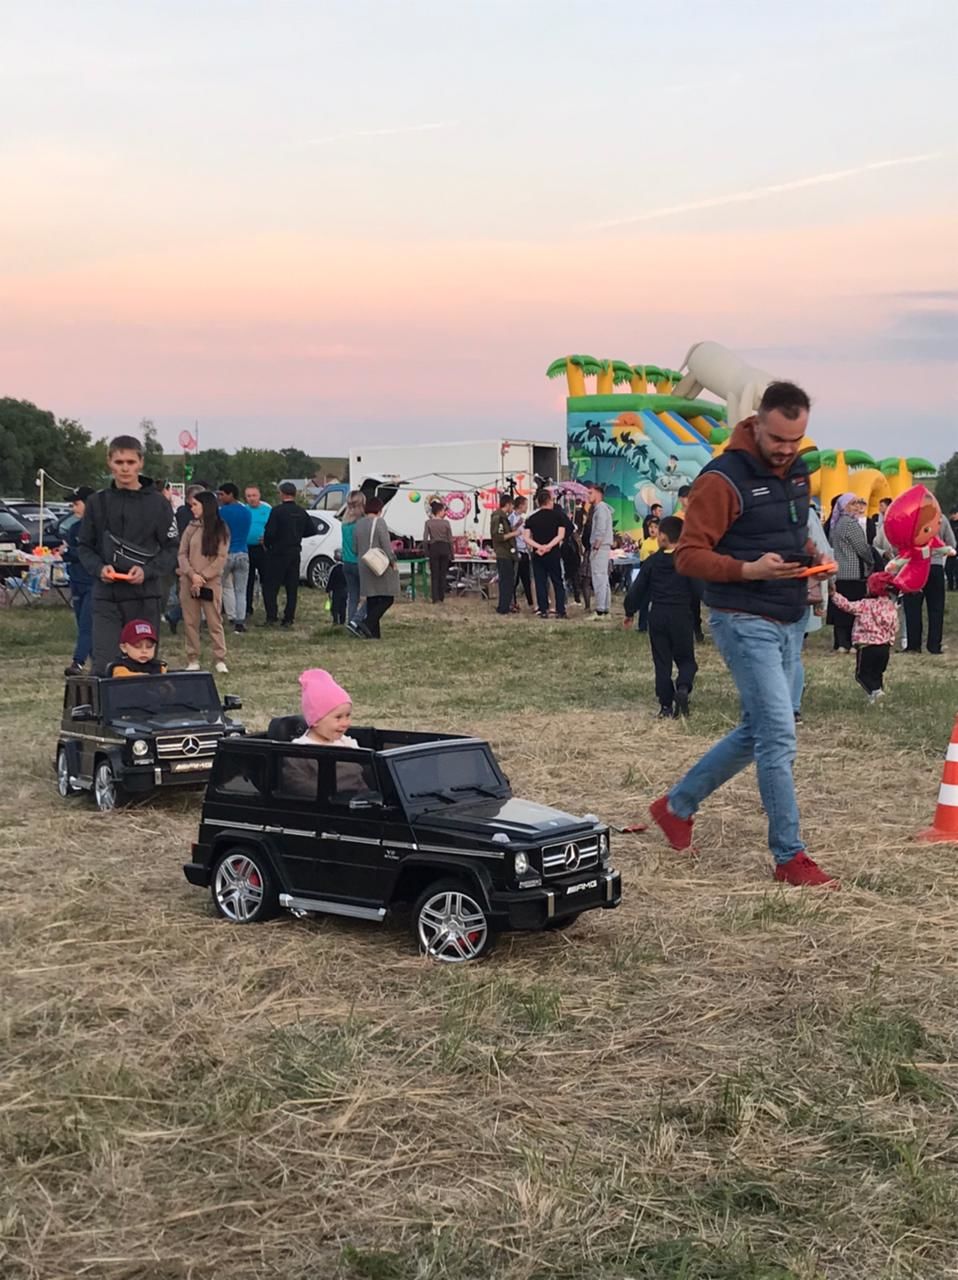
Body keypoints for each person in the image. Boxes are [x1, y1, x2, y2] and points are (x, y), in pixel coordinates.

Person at [642, 381, 837, 889]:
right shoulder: (721, 480)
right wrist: (748, 570)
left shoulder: (798, 473)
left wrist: (808, 565)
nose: (788, 450)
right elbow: (687, 556)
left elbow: (787, 537)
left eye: (797, 441)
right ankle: (789, 855)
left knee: (759, 732)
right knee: (777, 736)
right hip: (742, 618)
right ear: (757, 422)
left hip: (790, 616)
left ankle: (676, 806)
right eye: (779, 439)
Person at [77, 434, 180, 674]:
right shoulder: (96, 502)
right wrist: (99, 568)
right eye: (119, 462)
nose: (125, 468)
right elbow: (84, 546)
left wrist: (148, 571)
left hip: (145, 596)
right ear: (110, 462)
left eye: (131, 462)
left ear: (141, 463)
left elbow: (172, 547)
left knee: (142, 663)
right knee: (105, 666)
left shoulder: (158, 504)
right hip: (107, 596)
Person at [623, 516, 698, 718]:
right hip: (681, 615)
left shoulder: (652, 562)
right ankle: (683, 687)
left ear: (662, 536)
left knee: (662, 662)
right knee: (686, 660)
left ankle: (666, 705)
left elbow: (637, 590)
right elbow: (699, 590)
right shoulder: (687, 562)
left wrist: (630, 611)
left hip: (657, 615)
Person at [178, 490, 230, 673]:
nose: (192, 509)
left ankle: (219, 658)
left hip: (210, 583)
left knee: (214, 621)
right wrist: (192, 575)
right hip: (189, 582)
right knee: (190, 621)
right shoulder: (190, 527)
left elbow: (221, 557)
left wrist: (203, 576)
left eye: (195, 505)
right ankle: (193, 658)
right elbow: (182, 553)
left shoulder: (220, 528)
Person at [831, 573, 899, 703]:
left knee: (861, 675)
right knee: (877, 674)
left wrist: (834, 595)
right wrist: (890, 640)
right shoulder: (890, 606)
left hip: (866, 646)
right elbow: (894, 625)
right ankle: (876, 696)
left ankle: (876, 692)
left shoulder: (865, 604)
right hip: (884, 646)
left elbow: (847, 606)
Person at [262, 481, 314, 628]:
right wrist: (297, 535)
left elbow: (270, 532)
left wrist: (268, 543)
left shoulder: (277, 511)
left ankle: (272, 616)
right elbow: (311, 530)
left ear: (282, 494)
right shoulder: (301, 511)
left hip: (278, 552)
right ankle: (288, 618)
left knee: (271, 586)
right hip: (295, 552)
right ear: (295, 494)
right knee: (292, 587)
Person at [827, 493, 871, 653]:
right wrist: (871, 561)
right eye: (852, 504)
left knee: (840, 608)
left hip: (839, 572)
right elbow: (862, 548)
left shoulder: (836, 524)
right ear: (845, 506)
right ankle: (853, 642)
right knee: (853, 609)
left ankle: (841, 642)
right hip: (853, 572)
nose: (856, 506)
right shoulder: (851, 524)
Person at [350, 496, 399, 639]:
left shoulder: (358, 524)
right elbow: (386, 545)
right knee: (387, 598)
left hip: (364, 564)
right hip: (379, 565)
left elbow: (354, 547)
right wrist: (392, 561)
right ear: (379, 509)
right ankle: (367, 623)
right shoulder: (380, 523)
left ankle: (373, 633)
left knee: (372, 599)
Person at [62, 486, 95, 676]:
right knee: (81, 624)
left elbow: (87, 554)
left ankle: (78, 662)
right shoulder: (74, 527)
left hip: (93, 583)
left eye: (76, 504)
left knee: (86, 624)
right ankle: (96, 662)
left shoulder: (98, 528)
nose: (73, 508)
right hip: (76, 582)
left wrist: (69, 552)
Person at [164, 483, 203, 635]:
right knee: (194, 590)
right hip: (190, 556)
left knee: (191, 591)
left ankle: (179, 616)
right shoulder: (188, 515)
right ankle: (179, 616)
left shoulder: (182, 512)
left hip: (187, 554)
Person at [523, 489, 567, 619]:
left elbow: (526, 537)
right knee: (557, 581)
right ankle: (560, 610)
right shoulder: (558, 516)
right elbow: (561, 535)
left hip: (538, 554)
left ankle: (543, 610)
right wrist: (548, 546)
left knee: (540, 581)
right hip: (553, 553)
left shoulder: (531, 518)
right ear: (549, 501)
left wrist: (539, 547)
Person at [216, 483, 252, 634]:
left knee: (217, 587)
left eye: (222, 494)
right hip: (243, 553)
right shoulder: (246, 512)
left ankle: (213, 617)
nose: (220, 497)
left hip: (227, 553)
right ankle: (240, 621)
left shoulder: (222, 512)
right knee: (240, 590)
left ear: (231, 494)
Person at [293, 669, 359, 747]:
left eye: (348, 715)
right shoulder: (301, 749)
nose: (345, 723)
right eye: (338, 717)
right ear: (316, 720)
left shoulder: (346, 743)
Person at [586, 481, 614, 620]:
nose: (588, 496)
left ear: (598, 494)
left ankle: (600, 610)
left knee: (599, 578)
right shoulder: (602, 509)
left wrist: (596, 546)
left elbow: (600, 529)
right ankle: (605, 608)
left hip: (600, 547)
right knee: (603, 578)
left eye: (590, 493)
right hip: (603, 547)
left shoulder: (601, 509)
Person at [244, 485, 272, 618]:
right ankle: (247, 608)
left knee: (266, 580)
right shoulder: (244, 510)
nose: (252, 499)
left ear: (259, 496)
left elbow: (273, 528)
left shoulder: (267, 510)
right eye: (249, 496)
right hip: (247, 549)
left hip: (263, 549)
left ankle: (269, 609)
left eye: (254, 495)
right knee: (247, 580)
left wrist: (267, 539)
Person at [340, 490, 366, 623]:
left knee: (353, 596)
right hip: (359, 564)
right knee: (371, 596)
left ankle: (350, 622)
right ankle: (358, 620)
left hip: (347, 563)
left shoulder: (344, 524)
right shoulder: (361, 523)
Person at [490, 493, 518, 616]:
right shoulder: (498, 518)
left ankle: (505, 605)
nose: (512, 508)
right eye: (512, 505)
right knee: (505, 580)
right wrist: (514, 534)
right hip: (503, 553)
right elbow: (498, 536)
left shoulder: (504, 518)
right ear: (507, 504)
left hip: (508, 553)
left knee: (508, 579)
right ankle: (503, 607)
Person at [423, 499, 454, 604]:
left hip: (434, 548)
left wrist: (426, 551)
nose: (444, 513)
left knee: (434, 574)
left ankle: (435, 597)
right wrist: (452, 553)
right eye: (443, 511)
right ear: (440, 511)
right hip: (445, 548)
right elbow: (450, 539)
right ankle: (441, 597)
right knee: (443, 574)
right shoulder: (446, 523)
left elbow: (425, 539)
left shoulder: (428, 523)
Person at [512, 495, 535, 610]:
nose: (527, 507)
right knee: (516, 579)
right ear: (520, 505)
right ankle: (513, 602)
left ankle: (531, 602)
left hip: (525, 550)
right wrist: (517, 525)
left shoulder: (523, 518)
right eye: (526, 505)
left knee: (526, 578)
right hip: (517, 551)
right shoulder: (512, 517)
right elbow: (509, 530)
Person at [326, 559, 347, 625]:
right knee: (343, 607)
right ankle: (342, 621)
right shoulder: (346, 568)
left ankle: (335, 620)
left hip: (336, 591)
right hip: (345, 590)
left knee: (335, 607)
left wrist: (328, 589)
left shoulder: (334, 569)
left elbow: (331, 580)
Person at [948, 509, 958, 592]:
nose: (952, 516)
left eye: (954, 514)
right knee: (948, 568)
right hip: (951, 549)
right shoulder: (949, 523)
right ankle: (950, 586)